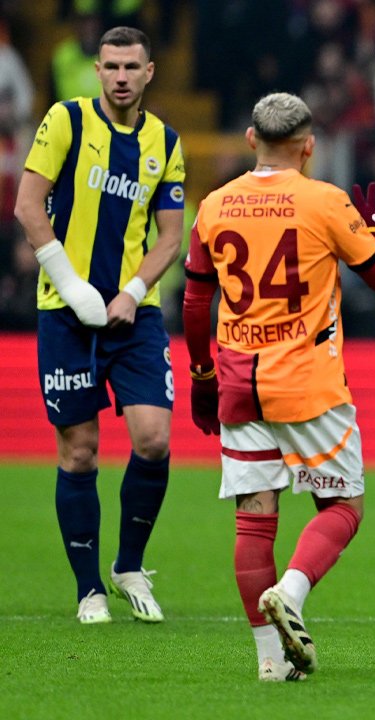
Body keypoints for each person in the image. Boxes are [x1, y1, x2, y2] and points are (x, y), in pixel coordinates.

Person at [181, 92, 375, 682]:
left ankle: (271, 662)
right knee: (343, 506)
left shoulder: (215, 204)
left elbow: (196, 300)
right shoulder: (325, 201)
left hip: (239, 382)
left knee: (254, 517)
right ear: (309, 146)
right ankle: (292, 593)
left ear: (251, 139)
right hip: (308, 383)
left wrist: (201, 375)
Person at [14, 26, 185, 625]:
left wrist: (132, 291)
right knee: (80, 451)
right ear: (97, 69)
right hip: (66, 314)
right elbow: (27, 205)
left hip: (135, 317)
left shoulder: (166, 141)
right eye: (110, 66)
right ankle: (89, 590)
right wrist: (72, 286)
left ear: (148, 72)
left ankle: (128, 566)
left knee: (154, 440)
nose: (120, 77)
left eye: (130, 67)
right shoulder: (66, 120)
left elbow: (170, 237)